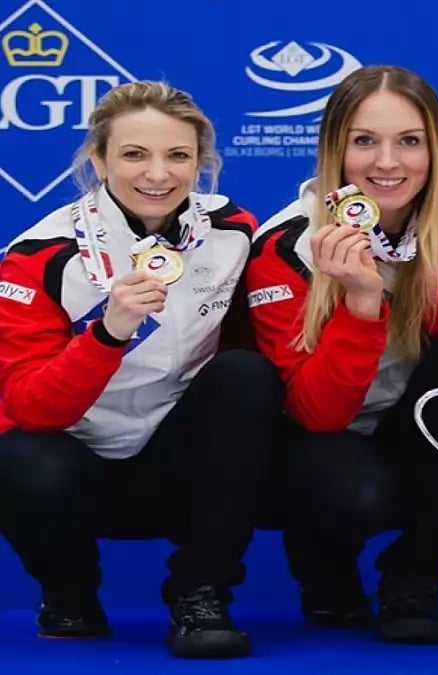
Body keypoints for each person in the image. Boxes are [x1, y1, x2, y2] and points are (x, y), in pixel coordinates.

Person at [246, 65, 438, 644]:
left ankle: (415, 576)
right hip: (322, 437)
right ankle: (323, 565)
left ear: (435, 149)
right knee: (353, 489)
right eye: (364, 142)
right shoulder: (284, 246)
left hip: (414, 422)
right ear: (334, 150)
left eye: (409, 141)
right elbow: (317, 413)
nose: (387, 163)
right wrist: (359, 304)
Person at [0, 81, 281, 659]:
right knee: (19, 452)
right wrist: (108, 333)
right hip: (77, 467)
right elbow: (30, 407)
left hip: (178, 463)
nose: (158, 174)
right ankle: (69, 594)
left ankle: (200, 593)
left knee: (247, 376)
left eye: (178, 155)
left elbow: (245, 347)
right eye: (134, 154)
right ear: (99, 160)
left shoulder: (233, 230)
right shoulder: (38, 256)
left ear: (200, 164)